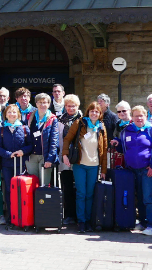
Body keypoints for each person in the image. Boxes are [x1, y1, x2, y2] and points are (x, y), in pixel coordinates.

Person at [116, 105, 152, 236]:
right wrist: (117, 143)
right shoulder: (126, 131)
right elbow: (124, 148)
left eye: (141, 115)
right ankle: (143, 222)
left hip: (148, 170)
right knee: (139, 197)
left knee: (148, 197)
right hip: (132, 171)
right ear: (132, 117)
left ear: (145, 116)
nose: (138, 118)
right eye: (136, 116)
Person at [62, 101, 107, 233]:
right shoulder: (80, 123)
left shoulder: (101, 127)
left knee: (90, 194)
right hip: (80, 164)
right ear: (88, 112)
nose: (94, 113)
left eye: (97, 112)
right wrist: (65, 155)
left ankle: (88, 221)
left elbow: (104, 149)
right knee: (81, 194)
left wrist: (103, 170)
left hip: (94, 165)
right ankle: (81, 221)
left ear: (99, 114)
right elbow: (67, 139)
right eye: (92, 111)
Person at [0, 104, 34, 225]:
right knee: (8, 189)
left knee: (21, 189)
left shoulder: (24, 128)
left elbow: (31, 145)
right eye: (9, 112)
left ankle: (22, 214)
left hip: (21, 164)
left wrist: (23, 151)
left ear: (18, 114)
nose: (12, 114)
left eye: (14, 112)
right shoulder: (1, 129)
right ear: (5, 114)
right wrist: (8, 154)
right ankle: (11, 216)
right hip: (7, 165)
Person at [58, 93, 82, 224]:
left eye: (73, 106)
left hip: (79, 158)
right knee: (66, 187)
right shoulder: (60, 119)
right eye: (68, 106)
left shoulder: (84, 119)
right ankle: (69, 215)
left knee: (79, 188)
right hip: (65, 158)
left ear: (77, 106)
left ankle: (80, 215)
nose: (70, 108)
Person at [26, 93, 59, 184]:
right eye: (40, 102)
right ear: (36, 104)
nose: (42, 105)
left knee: (44, 184)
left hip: (45, 156)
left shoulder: (52, 119)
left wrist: (50, 159)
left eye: (45, 102)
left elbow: (54, 140)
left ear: (49, 104)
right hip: (31, 156)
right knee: (32, 184)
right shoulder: (30, 117)